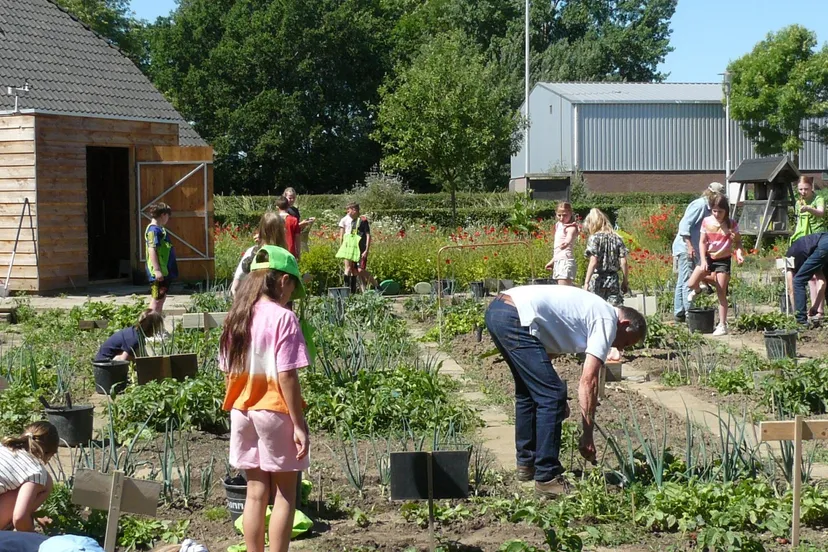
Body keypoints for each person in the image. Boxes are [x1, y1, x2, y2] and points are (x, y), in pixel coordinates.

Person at [484, 286, 646, 497]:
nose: (620, 348)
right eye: (624, 342)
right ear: (624, 324)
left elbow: (545, 355)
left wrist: (555, 394)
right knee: (551, 396)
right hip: (515, 317)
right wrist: (587, 435)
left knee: (528, 392)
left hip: (500, 311)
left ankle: (527, 464)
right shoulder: (607, 319)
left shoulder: (591, 310)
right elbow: (590, 381)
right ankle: (547, 477)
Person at [219, 245, 309, 552]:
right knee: (285, 493)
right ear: (283, 281)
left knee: (255, 491)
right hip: (274, 412)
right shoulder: (283, 318)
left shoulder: (236, 316)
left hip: (242, 411)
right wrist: (299, 425)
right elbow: (287, 375)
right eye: (292, 287)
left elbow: (227, 370)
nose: (291, 295)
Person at [686, 194, 745, 336]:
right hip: (708, 257)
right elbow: (702, 242)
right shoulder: (706, 222)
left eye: (720, 211)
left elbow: (738, 242)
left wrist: (739, 254)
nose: (717, 214)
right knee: (691, 283)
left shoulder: (731, 224)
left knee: (721, 292)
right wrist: (704, 260)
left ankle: (722, 324)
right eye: (714, 211)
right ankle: (700, 289)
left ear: (726, 211)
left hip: (723, 259)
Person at [671, 182, 724, 323]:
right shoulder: (700, 205)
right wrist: (689, 247)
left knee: (683, 280)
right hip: (685, 247)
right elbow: (684, 226)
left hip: (692, 246)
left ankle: (679, 312)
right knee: (687, 279)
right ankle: (689, 314)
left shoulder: (710, 208)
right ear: (711, 193)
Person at [0, 422, 59, 532]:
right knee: (47, 482)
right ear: (51, 453)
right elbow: (19, 518)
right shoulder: (36, 472)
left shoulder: (3, 447)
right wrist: (32, 537)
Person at [790, 176, 826, 320]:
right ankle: (813, 310)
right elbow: (800, 223)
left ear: (812, 187)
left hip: (818, 240)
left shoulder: (818, 199)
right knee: (810, 278)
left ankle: (820, 310)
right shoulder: (799, 202)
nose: (803, 192)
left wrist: (809, 209)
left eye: (806, 189)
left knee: (820, 277)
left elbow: (821, 212)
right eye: (800, 189)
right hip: (805, 242)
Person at [231, 212, 288, 297]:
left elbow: (235, 286)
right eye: (283, 228)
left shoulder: (253, 251)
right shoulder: (284, 255)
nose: (285, 230)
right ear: (279, 232)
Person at [582, 208, 629, 305]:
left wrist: (586, 282)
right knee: (614, 310)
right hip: (613, 279)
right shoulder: (617, 238)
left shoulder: (594, 239)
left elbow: (593, 262)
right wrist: (625, 281)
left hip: (598, 279)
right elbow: (623, 262)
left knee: (596, 309)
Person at [94, 309, 165, 362]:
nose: (157, 331)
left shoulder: (135, 331)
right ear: (150, 328)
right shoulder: (134, 339)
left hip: (102, 359)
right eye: (157, 328)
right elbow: (123, 360)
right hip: (104, 364)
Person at [145, 203, 178, 314]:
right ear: (163, 215)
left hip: (165, 271)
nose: (168, 219)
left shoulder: (160, 229)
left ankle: (156, 326)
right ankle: (149, 326)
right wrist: (157, 270)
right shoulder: (153, 231)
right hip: (158, 274)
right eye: (168, 216)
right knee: (156, 300)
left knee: (161, 299)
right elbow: (152, 249)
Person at [790, 232, 828, 326]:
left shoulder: (790, 257)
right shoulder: (807, 248)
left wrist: (795, 311)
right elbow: (823, 282)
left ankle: (801, 321)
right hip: (824, 244)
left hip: (824, 245)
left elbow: (790, 288)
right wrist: (815, 307)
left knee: (798, 280)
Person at [337, 202, 370, 294]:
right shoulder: (345, 220)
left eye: (349, 210)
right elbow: (341, 235)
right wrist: (342, 246)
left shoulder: (359, 220)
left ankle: (353, 291)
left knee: (355, 269)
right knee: (348, 268)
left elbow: (365, 234)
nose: (347, 212)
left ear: (354, 210)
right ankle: (346, 290)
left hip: (356, 246)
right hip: (348, 245)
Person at [544, 202, 578, 286]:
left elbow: (569, 236)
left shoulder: (571, 226)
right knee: (560, 291)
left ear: (570, 214)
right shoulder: (558, 225)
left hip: (565, 261)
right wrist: (552, 261)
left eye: (565, 215)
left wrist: (566, 242)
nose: (562, 218)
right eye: (559, 215)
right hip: (558, 260)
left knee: (564, 292)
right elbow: (558, 250)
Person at [283, 188, 315, 256]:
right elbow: (288, 227)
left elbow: (296, 225)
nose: (292, 200)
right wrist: (301, 224)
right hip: (288, 238)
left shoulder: (295, 210)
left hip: (296, 236)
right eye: (290, 198)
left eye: (294, 198)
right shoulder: (284, 211)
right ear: (285, 197)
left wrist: (307, 222)